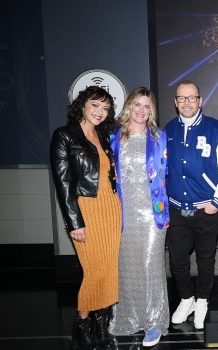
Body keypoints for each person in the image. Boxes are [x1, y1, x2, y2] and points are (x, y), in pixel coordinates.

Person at [165, 80, 218, 330]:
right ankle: (186, 299)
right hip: (178, 210)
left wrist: (216, 203)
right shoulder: (168, 130)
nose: (187, 103)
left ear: (200, 100)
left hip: (205, 211)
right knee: (177, 261)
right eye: (182, 98)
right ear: (176, 102)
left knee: (205, 260)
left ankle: (203, 300)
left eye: (192, 98)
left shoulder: (216, 129)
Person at [50, 86, 122, 349]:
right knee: (93, 270)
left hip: (111, 209)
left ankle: (101, 322)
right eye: (95, 105)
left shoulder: (103, 135)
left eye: (105, 108)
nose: (100, 112)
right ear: (82, 105)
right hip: (86, 210)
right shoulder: (64, 136)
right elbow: (63, 184)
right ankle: (82, 321)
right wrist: (74, 223)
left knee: (109, 268)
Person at [108, 87, 170, 347]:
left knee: (150, 266)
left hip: (152, 213)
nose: (142, 110)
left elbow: (164, 174)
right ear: (128, 106)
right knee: (127, 267)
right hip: (123, 213)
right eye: (137, 105)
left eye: (147, 106)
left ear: (151, 110)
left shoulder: (158, 136)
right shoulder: (113, 136)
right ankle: (131, 317)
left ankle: (155, 322)